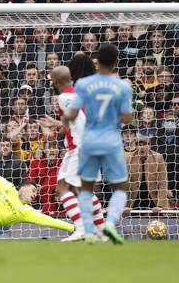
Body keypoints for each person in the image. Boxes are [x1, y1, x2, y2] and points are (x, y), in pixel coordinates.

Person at [64, 43, 133, 244]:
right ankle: (109, 223)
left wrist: (63, 121)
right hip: (111, 141)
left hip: (89, 141)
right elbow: (127, 118)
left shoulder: (83, 85)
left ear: (98, 61)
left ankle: (88, 231)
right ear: (115, 63)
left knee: (85, 188)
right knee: (119, 187)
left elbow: (73, 113)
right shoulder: (122, 86)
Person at [45, 59, 106, 242]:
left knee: (63, 188)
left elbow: (78, 118)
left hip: (80, 148)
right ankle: (102, 231)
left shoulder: (64, 97)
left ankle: (80, 228)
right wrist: (59, 125)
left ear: (56, 83)